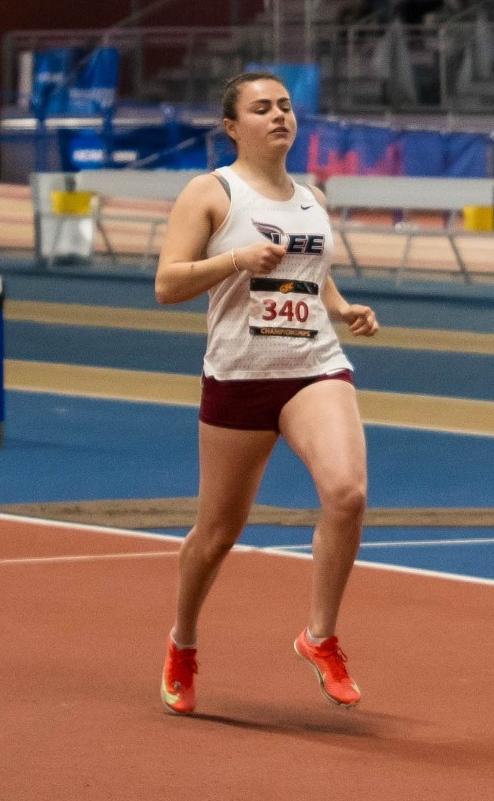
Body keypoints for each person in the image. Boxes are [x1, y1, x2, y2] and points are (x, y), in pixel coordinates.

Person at [153, 71, 381, 715]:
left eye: (285, 106)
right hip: (239, 376)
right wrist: (234, 260)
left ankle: (320, 637)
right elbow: (167, 284)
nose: (279, 115)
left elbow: (312, 274)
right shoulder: (211, 193)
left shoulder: (310, 198)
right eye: (262, 108)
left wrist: (341, 308)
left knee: (347, 492)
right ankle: (183, 643)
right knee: (218, 532)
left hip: (313, 366)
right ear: (233, 127)